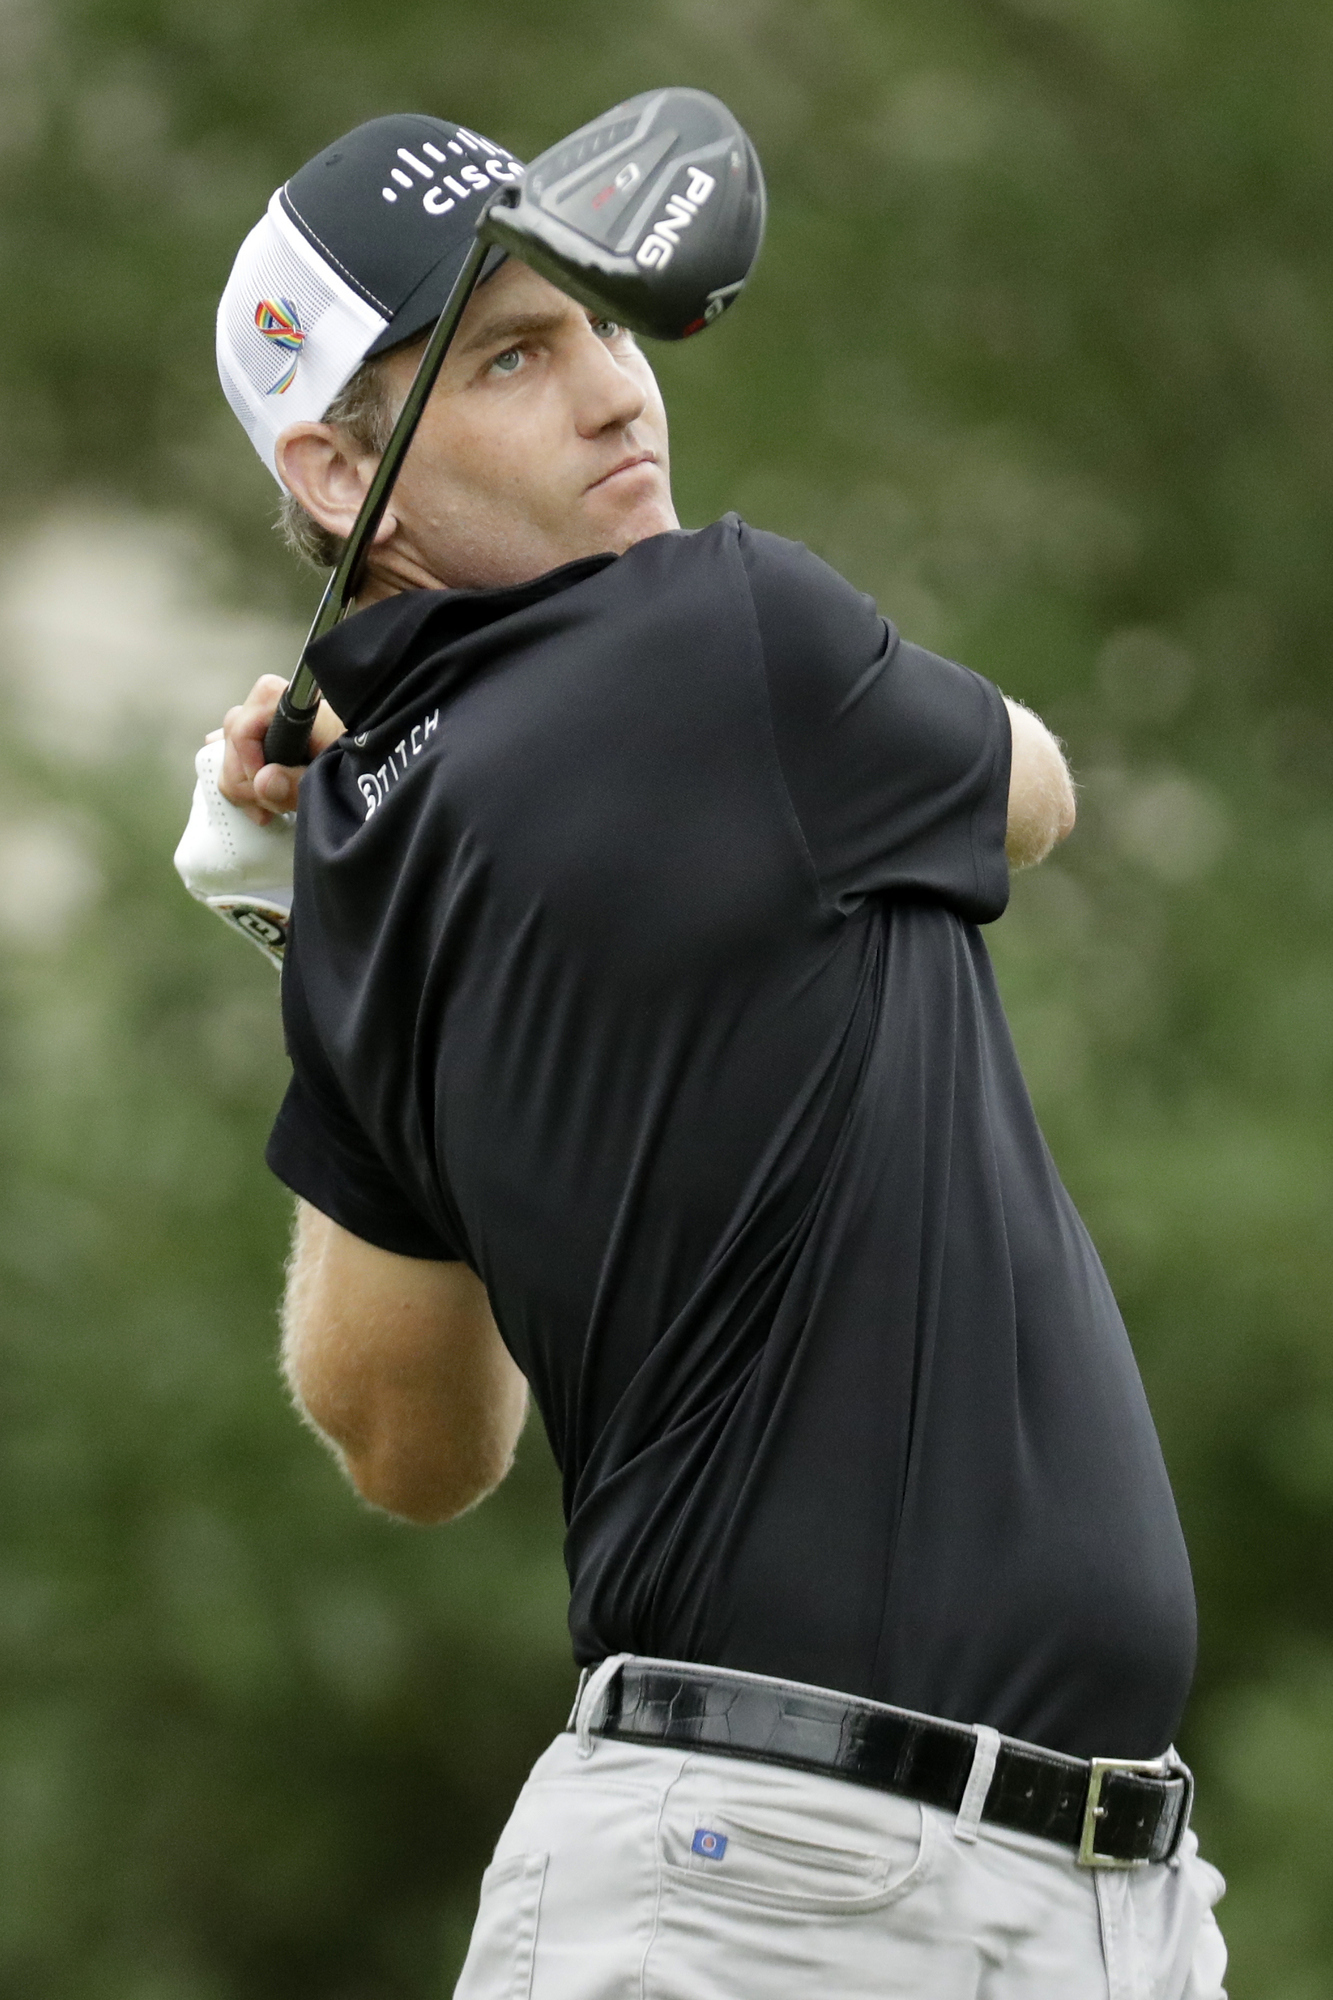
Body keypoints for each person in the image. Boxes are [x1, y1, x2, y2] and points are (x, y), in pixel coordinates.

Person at [209, 110, 1228, 1999]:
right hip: (779, 1891)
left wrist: (316, 921)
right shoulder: (723, 631)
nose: (617, 391)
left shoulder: (377, 847)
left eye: (599, 323)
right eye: (510, 357)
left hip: (1039, 1899)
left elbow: (410, 1447)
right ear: (341, 472)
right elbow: (1031, 788)